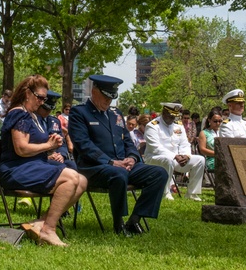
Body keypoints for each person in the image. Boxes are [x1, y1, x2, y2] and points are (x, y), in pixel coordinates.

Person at [68, 74, 169, 237]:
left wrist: (132, 157)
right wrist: (110, 162)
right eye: (105, 97)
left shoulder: (115, 113)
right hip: (94, 168)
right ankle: (118, 223)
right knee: (119, 173)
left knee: (159, 173)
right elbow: (83, 145)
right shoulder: (79, 113)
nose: (109, 102)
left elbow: (127, 140)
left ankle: (134, 220)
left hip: (122, 166)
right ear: (94, 92)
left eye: (111, 97)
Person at [0, 75, 87, 246]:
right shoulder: (19, 114)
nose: (42, 102)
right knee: (71, 178)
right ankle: (48, 230)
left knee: (82, 180)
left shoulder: (33, 115)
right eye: (39, 97)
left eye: (44, 98)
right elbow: (22, 149)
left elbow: (37, 145)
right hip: (16, 169)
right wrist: (48, 145)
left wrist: (53, 143)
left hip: (33, 165)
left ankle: (40, 223)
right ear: (27, 93)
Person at [143, 102, 206, 201]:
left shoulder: (178, 126)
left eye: (175, 116)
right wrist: (175, 156)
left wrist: (186, 156)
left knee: (200, 160)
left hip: (176, 158)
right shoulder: (152, 126)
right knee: (168, 159)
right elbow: (156, 147)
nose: (173, 118)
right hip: (154, 158)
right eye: (171, 115)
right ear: (164, 112)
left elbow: (184, 144)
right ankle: (165, 192)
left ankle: (192, 194)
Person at [37, 90, 75, 169]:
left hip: (57, 157)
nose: (48, 112)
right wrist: (48, 156)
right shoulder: (31, 120)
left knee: (72, 166)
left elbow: (62, 143)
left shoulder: (55, 121)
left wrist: (61, 155)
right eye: (45, 109)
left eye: (51, 109)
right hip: (40, 158)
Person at [198, 108, 224, 174]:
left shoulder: (223, 131)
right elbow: (202, 149)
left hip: (224, 158)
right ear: (209, 120)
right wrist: (217, 154)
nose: (218, 123)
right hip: (212, 160)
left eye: (220, 121)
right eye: (215, 121)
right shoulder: (204, 133)